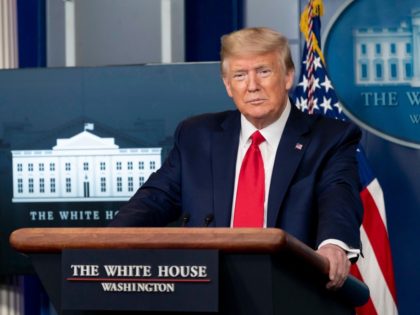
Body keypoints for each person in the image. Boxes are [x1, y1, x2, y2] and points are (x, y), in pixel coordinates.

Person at [109, 27, 363, 290]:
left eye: (264, 72)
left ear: (288, 77)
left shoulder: (329, 138)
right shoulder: (197, 136)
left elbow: (339, 196)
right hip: (206, 291)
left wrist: (333, 245)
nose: (252, 86)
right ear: (228, 86)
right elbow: (153, 199)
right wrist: (103, 242)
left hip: (290, 291)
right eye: (240, 75)